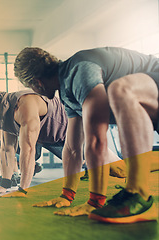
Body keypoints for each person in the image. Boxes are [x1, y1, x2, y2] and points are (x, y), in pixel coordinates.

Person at [14, 46, 159, 223]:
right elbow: (73, 148)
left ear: (37, 83)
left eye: (30, 87)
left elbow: (96, 140)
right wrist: (67, 195)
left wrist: (95, 202)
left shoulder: (79, 71)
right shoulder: (67, 92)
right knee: (118, 92)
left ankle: (139, 194)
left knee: (119, 89)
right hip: (152, 104)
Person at [0, 88, 69, 196]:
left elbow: (29, 149)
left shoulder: (24, 105)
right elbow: (8, 149)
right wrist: (5, 185)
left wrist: (22, 189)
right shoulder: (2, 115)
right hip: (47, 138)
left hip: (72, 131)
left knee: (84, 161)